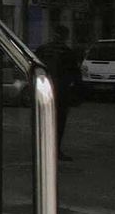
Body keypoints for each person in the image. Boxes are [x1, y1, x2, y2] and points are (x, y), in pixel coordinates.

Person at [35, 23, 82, 160]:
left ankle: (43, 149)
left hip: (43, 90)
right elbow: (75, 75)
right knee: (58, 123)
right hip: (60, 93)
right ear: (65, 37)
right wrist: (77, 94)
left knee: (43, 121)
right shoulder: (67, 52)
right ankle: (55, 150)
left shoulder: (42, 49)